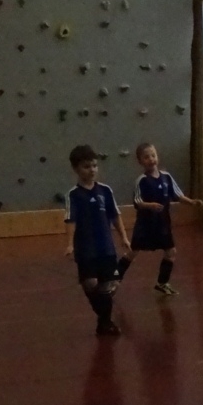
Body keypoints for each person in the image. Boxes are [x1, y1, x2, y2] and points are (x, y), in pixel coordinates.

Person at [116, 142, 202, 296]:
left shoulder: (166, 177)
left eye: (153, 155)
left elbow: (178, 195)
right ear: (140, 161)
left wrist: (191, 202)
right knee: (133, 252)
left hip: (162, 224)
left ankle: (162, 283)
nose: (151, 159)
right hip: (145, 224)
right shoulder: (142, 180)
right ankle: (114, 279)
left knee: (171, 252)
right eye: (146, 157)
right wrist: (150, 205)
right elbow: (137, 202)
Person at [64, 144, 131, 336]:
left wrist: (124, 237)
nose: (92, 170)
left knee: (109, 285)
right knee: (90, 283)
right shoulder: (74, 195)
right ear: (76, 169)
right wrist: (69, 244)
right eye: (86, 166)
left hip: (106, 247)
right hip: (86, 248)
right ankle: (104, 317)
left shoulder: (105, 191)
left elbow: (115, 215)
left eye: (94, 165)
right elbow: (70, 220)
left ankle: (104, 322)